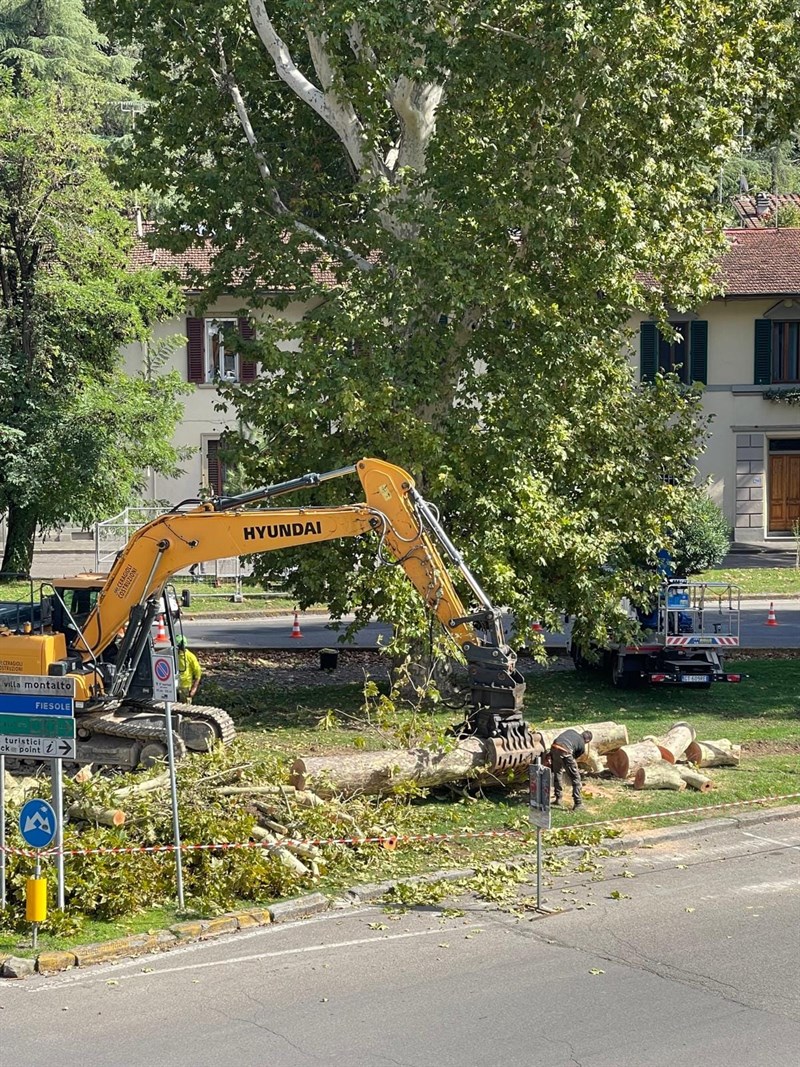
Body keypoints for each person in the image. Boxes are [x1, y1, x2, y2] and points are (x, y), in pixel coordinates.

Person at [549, 729, 593, 811]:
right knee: (576, 779)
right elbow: (573, 758)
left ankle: (558, 798)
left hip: (554, 748)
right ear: (587, 740)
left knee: (557, 773)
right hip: (566, 751)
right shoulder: (582, 746)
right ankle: (578, 803)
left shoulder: (571, 731)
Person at [176, 634, 202, 703]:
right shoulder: (174, 655)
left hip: (185, 687)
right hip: (174, 685)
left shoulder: (190, 656)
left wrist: (194, 688)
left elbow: (198, 672)